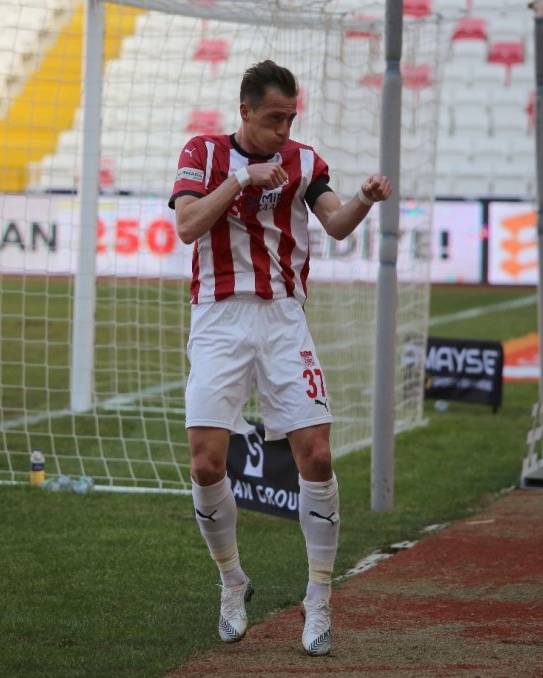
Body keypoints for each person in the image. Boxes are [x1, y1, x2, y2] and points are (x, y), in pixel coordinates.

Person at [168, 59, 391, 657]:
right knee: (206, 465)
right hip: (219, 319)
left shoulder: (304, 161)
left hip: (284, 318)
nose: (284, 130)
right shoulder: (205, 153)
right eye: (273, 119)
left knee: (316, 454)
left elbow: (337, 224)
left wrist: (365, 200)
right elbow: (188, 226)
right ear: (244, 112)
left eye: (290, 118)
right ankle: (232, 581)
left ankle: (318, 598)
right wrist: (241, 180)